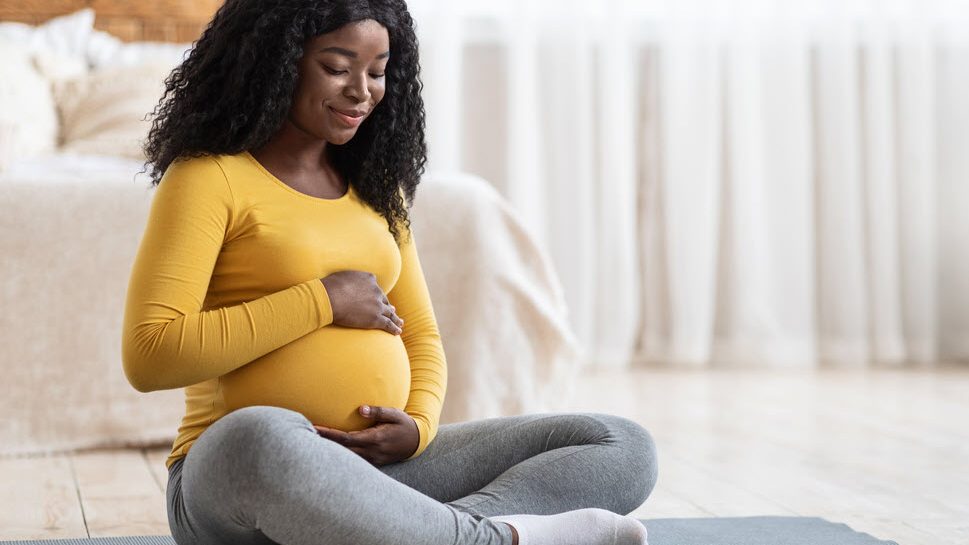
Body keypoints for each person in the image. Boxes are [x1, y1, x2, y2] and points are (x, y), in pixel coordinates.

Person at [122, 1, 658, 544]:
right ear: (276, 61)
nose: (362, 91)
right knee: (261, 435)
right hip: (241, 478)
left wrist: (420, 426)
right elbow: (151, 353)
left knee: (619, 443)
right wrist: (322, 301)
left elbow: (421, 335)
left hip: (385, 474)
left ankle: (400, 530)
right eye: (336, 68)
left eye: (377, 72)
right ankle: (491, 538)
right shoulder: (209, 178)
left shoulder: (375, 190)